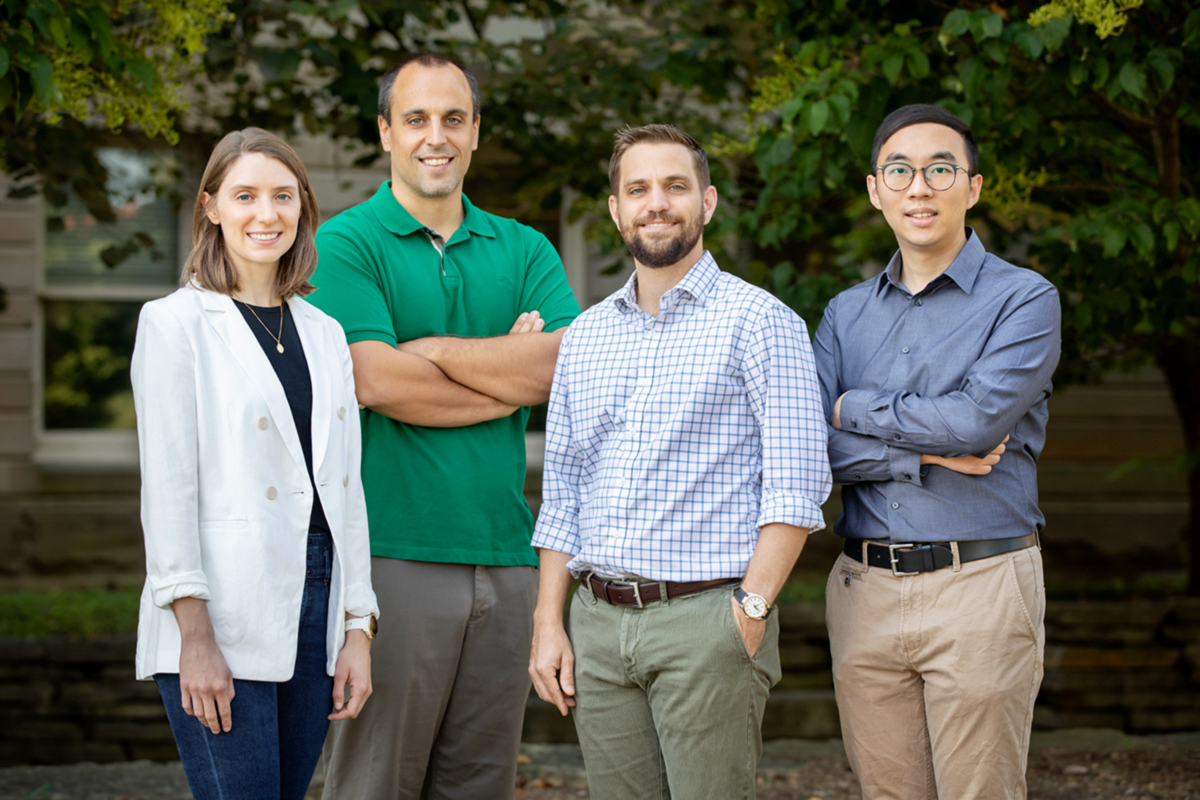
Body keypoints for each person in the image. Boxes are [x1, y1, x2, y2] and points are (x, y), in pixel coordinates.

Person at [528, 124, 832, 800]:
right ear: (615, 208)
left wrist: (747, 611)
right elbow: (564, 494)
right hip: (600, 627)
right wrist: (550, 623)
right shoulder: (584, 337)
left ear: (708, 202)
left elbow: (797, 485)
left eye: (675, 187)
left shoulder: (761, 322)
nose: (655, 203)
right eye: (637, 189)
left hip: (706, 624)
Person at [308, 52, 580, 799]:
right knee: (377, 784)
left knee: (479, 787)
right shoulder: (344, 243)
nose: (438, 136)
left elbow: (565, 368)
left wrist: (430, 354)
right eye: (418, 118)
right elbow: (373, 378)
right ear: (386, 132)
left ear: (476, 133)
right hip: (394, 552)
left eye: (454, 119)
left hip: (507, 554)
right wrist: (506, 367)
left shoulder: (523, 246)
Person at [813, 104, 1061, 799]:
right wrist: (918, 458)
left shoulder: (1024, 299)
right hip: (864, 590)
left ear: (973, 187)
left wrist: (850, 407)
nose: (918, 187)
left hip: (979, 585)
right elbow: (807, 449)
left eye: (939, 169)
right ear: (875, 189)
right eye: (900, 170)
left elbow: (975, 425)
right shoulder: (844, 313)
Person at [131, 128, 378, 800]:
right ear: (210, 206)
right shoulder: (174, 323)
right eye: (245, 196)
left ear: (302, 208)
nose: (265, 214)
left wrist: (359, 629)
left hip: (317, 600)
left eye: (282, 196)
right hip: (221, 610)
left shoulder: (325, 333)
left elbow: (345, 490)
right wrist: (194, 636)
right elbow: (169, 489)